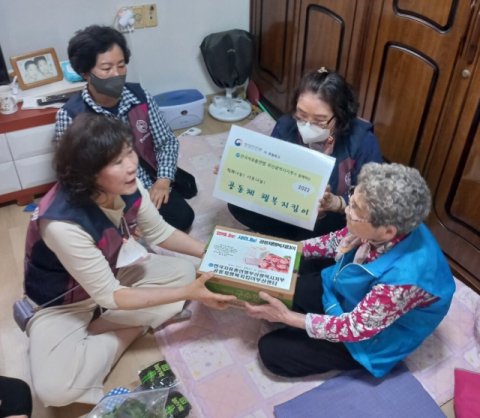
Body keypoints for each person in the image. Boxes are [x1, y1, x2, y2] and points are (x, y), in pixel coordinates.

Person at [24, 114, 235, 407]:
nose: (131, 166)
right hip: (63, 301)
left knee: (185, 272)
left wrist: (212, 254)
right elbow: (109, 295)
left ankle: (102, 332)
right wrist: (189, 294)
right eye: (117, 162)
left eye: (129, 152)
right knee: (55, 391)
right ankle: (129, 328)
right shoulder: (62, 223)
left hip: (112, 270)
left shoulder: (129, 185)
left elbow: (160, 232)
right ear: (88, 174)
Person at [245, 162, 455, 378]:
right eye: (352, 200)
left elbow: (356, 327)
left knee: (271, 351)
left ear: (387, 231)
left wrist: (289, 318)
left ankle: (350, 355)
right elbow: (338, 239)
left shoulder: (404, 281)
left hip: (372, 337)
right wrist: (288, 251)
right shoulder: (389, 223)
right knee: (276, 289)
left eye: (355, 209)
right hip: (347, 290)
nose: (347, 210)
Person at [55, 25, 194, 232]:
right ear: (85, 73)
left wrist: (163, 181)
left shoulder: (140, 97)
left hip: (146, 183)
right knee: (98, 230)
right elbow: (74, 176)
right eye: (106, 69)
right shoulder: (71, 116)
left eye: (121, 65)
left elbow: (166, 142)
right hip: (107, 195)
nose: (117, 74)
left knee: (183, 217)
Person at [228, 68, 383, 241]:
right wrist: (240, 171)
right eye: (301, 116)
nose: (307, 126)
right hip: (290, 206)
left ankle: (304, 241)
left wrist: (337, 203)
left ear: (341, 116)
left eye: (319, 121)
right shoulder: (286, 126)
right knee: (237, 201)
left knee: (353, 224)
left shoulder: (363, 142)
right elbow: (269, 171)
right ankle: (297, 239)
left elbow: (373, 200)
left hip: (332, 217)